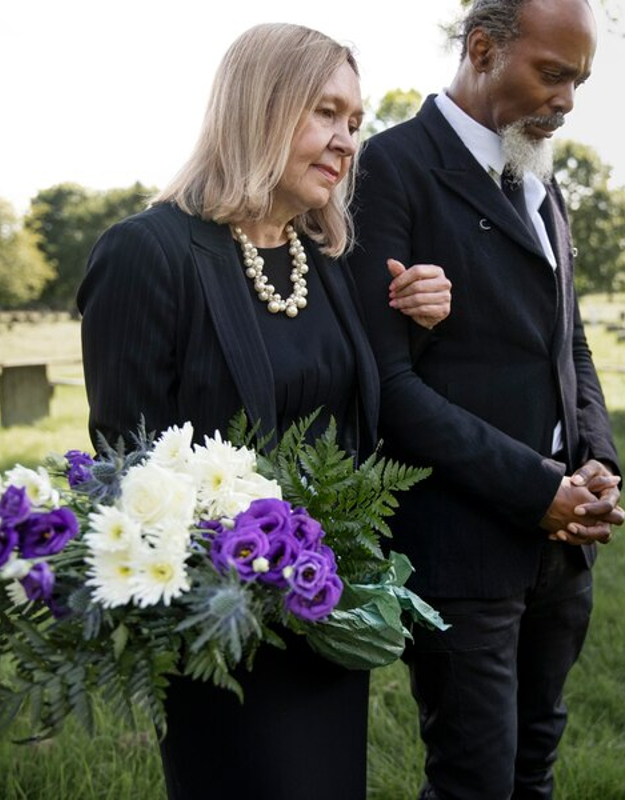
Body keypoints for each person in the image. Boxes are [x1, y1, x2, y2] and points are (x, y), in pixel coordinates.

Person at [77, 23, 452, 800]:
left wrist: (421, 320)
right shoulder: (149, 252)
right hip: (227, 630)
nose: (348, 141)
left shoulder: (327, 261)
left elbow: (360, 422)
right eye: (326, 112)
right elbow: (126, 467)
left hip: (325, 611)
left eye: (355, 121)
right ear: (259, 107)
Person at [346, 0, 625, 797]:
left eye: (580, 81)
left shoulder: (543, 181)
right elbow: (390, 390)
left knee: (534, 764)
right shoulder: (389, 172)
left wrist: (597, 461)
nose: (567, 100)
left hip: (563, 545)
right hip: (459, 549)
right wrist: (538, 489)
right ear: (481, 49)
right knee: (474, 781)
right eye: (552, 73)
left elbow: (568, 343)